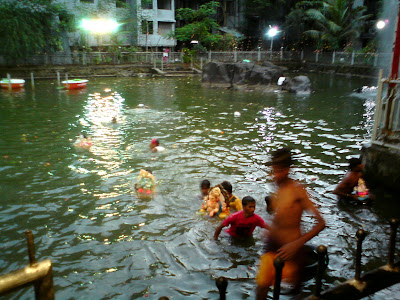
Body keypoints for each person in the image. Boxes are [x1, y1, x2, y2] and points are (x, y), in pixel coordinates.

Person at [255, 148, 325, 299]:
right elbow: (282, 218)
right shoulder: (278, 191)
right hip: (273, 246)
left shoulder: (298, 191)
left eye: (279, 171)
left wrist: (297, 244)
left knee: (295, 294)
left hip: (291, 250)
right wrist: (269, 231)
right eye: (273, 171)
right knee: (261, 289)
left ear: (288, 170)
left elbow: (321, 223)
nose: (275, 175)